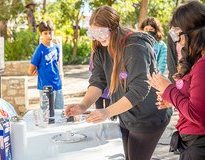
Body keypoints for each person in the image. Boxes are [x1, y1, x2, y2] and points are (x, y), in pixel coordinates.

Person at [65, 5, 172, 160]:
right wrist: (83, 105)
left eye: (101, 32)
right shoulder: (101, 48)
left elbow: (139, 90)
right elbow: (97, 81)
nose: (99, 37)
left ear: (113, 28)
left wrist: (107, 111)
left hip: (148, 116)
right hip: (126, 114)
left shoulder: (135, 46)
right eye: (94, 33)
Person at [148, 1, 205, 159]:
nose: (178, 44)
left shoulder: (202, 66)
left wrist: (168, 90)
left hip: (198, 145)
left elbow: (197, 115)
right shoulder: (199, 63)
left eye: (179, 36)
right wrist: (172, 98)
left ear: (193, 34)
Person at [28, 20, 64, 110]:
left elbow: (56, 64)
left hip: (57, 85)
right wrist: (37, 72)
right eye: (45, 33)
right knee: (46, 114)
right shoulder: (39, 50)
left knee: (60, 111)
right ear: (41, 34)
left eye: (50, 32)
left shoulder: (56, 47)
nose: (49, 35)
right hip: (45, 86)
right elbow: (30, 70)